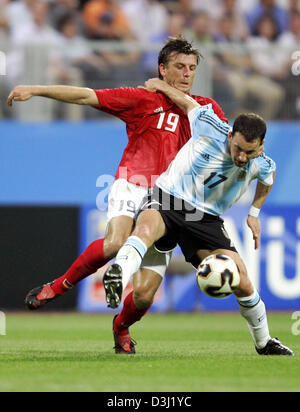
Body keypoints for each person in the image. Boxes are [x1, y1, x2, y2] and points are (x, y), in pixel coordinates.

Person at [7, 36, 227, 354]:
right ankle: (57, 287)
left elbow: (228, 142)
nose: (186, 74)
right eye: (179, 67)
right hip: (133, 183)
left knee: (145, 295)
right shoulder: (140, 99)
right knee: (115, 243)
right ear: (162, 69)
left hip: (170, 201)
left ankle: (120, 326)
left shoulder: (206, 109)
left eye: (192, 68)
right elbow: (86, 96)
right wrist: (36, 89)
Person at [103, 77, 294, 356]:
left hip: (204, 220)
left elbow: (269, 178)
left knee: (240, 279)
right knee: (145, 229)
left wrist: (254, 213)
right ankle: (118, 273)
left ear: (261, 147)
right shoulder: (210, 125)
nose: (241, 157)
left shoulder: (263, 163)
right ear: (231, 135)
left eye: (249, 152)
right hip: (169, 198)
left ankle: (264, 342)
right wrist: (160, 85)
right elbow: (187, 101)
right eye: (238, 148)